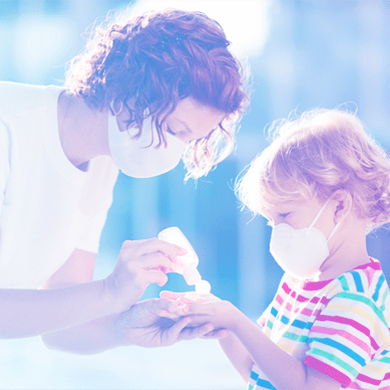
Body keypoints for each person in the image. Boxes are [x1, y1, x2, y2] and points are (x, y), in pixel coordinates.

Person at [0, 7, 248, 354]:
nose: (175, 154)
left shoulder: (102, 165)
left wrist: (126, 327)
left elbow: (58, 328)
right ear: (131, 89)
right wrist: (109, 291)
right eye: (175, 130)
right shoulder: (8, 128)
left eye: (188, 141)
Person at [161, 109, 390, 389]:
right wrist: (221, 322)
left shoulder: (355, 301)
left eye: (285, 215)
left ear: (340, 206)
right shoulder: (298, 282)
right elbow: (257, 371)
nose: (276, 232)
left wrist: (235, 319)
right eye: (271, 222)